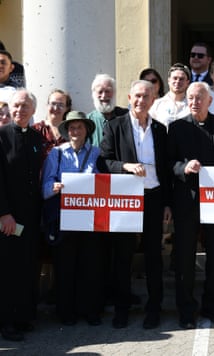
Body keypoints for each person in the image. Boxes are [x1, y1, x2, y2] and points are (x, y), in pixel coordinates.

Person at [99, 80, 172, 330]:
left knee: (153, 256)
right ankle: (122, 308)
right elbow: (104, 162)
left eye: (147, 96)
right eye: (137, 96)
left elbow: (166, 170)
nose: (141, 100)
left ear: (154, 100)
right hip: (126, 200)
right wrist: (126, 166)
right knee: (123, 256)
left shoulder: (161, 130)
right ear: (130, 97)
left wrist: (167, 204)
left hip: (153, 197)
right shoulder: (114, 126)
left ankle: (154, 308)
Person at [167, 82, 214, 329]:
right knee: (185, 258)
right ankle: (186, 309)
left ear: (209, 101)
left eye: (199, 98)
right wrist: (183, 167)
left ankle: (213, 305)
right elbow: (168, 163)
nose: (194, 102)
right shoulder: (176, 128)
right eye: (190, 98)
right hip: (187, 201)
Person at [41, 111, 105, 327]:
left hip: (90, 219)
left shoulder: (97, 153)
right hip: (64, 218)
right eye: (71, 128)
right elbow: (45, 186)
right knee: (65, 267)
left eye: (79, 127)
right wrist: (54, 187)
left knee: (91, 266)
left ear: (87, 130)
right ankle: (66, 312)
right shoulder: (56, 154)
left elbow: (105, 183)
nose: (75, 131)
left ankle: (91, 311)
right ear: (67, 132)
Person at [0, 89, 43, 341]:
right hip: (8, 218)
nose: (20, 110)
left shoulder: (37, 138)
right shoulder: (1, 136)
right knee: (7, 269)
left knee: (27, 266)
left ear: (33, 110)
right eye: (16, 105)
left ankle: (23, 317)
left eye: (25, 106)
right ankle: (6, 321)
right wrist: (3, 213)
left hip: (30, 216)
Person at [87, 74, 128, 147]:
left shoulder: (126, 116)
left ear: (114, 93)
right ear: (94, 94)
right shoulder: (88, 120)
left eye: (107, 91)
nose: (104, 96)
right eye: (100, 92)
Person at [149, 63, 191, 129]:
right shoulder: (157, 104)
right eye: (175, 78)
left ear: (187, 82)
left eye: (181, 79)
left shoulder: (192, 105)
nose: (177, 81)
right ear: (168, 80)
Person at [33, 89, 72, 158]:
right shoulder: (35, 129)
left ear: (66, 108)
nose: (56, 108)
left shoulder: (71, 130)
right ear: (47, 105)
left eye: (61, 105)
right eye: (53, 103)